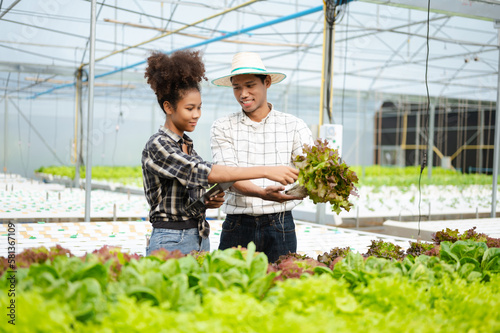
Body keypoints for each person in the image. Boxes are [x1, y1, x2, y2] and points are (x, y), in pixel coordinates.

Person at [142, 50, 299, 256]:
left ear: (267, 82)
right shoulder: (159, 145)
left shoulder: (187, 145)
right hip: (171, 238)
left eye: (199, 107)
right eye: (190, 108)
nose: (196, 114)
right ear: (168, 107)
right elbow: (204, 172)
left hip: (198, 236)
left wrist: (205, 201)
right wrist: (266, 171)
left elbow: (187, 202)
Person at [210, 51, 314, 262]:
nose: (243, 94)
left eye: (250, 85)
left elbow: (310, 170)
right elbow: (227, 175)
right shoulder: (223, 126)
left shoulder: (293, 125)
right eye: (236, 87)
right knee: (230, 287)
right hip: (237, 225)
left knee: (280, 287)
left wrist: (307, 187)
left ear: (266, 82)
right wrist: (261, 192)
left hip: (281, 225)